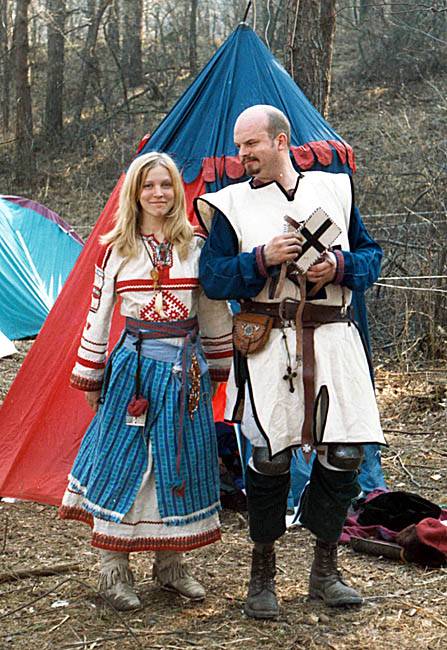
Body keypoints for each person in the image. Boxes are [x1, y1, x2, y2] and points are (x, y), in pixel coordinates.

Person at [196, 105, 386, 619]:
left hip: (334, 337)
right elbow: (213, 278)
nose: (242, 155)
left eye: (251, 144)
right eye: (239, 146)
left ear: (280, 141)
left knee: (344, 453)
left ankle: (325, 571)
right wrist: (261, 259)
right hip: (268, 342)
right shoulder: (229, 204)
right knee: (270, 457)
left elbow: (371, 256)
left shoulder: (334, 189)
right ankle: (262, 575)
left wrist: (338, 265)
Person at [59, 152, 232, 611]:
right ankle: (113, 570)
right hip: (133, 373)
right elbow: (97, 316)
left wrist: (220, 366)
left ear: (177, 190)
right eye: (148, 186)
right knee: (124, 463)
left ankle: (171, 566)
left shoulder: (195, 247)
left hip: (186, 372)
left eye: (166, 184)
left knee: (179, 463)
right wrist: (91, 375)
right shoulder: (117, 249)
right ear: (134, 194)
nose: (158, 193)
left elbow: (213, 310)